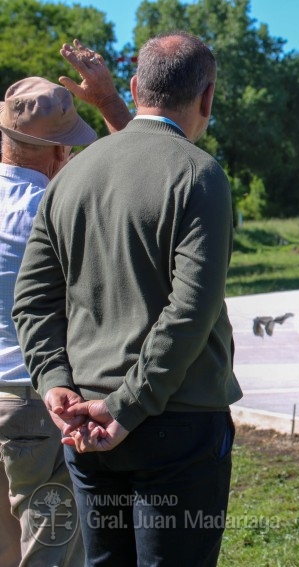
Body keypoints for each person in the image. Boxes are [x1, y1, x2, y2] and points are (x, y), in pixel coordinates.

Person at [13, 30, 243, 566]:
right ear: (206, 97)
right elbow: (190, 310)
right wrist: (128, 407)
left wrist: (55, 386)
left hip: (84, 424)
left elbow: (33, 297)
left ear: (136, 86)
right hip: (175, 420)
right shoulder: (199, 174)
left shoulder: (70, 177)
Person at [0, 41, 132, 567]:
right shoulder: (58, 207)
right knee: (50, 547)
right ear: (61, 153)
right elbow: (153, 163)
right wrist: (109, 103)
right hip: (36, 397)